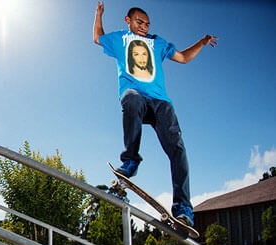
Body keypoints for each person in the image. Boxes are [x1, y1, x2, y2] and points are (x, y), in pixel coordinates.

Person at [93, 2, 218, 227]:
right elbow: (97, 37)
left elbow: (183, 57)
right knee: (131, 98)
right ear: (128, 20)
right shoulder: (120, 39)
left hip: (161, 103)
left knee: (178, 150)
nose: (143, 27)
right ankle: (131, 161)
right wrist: (98, 14)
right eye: (139, 22)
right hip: (136, 97)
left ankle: (183, 209)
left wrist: (201, 42)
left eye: (147, 24)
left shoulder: (158, 42)